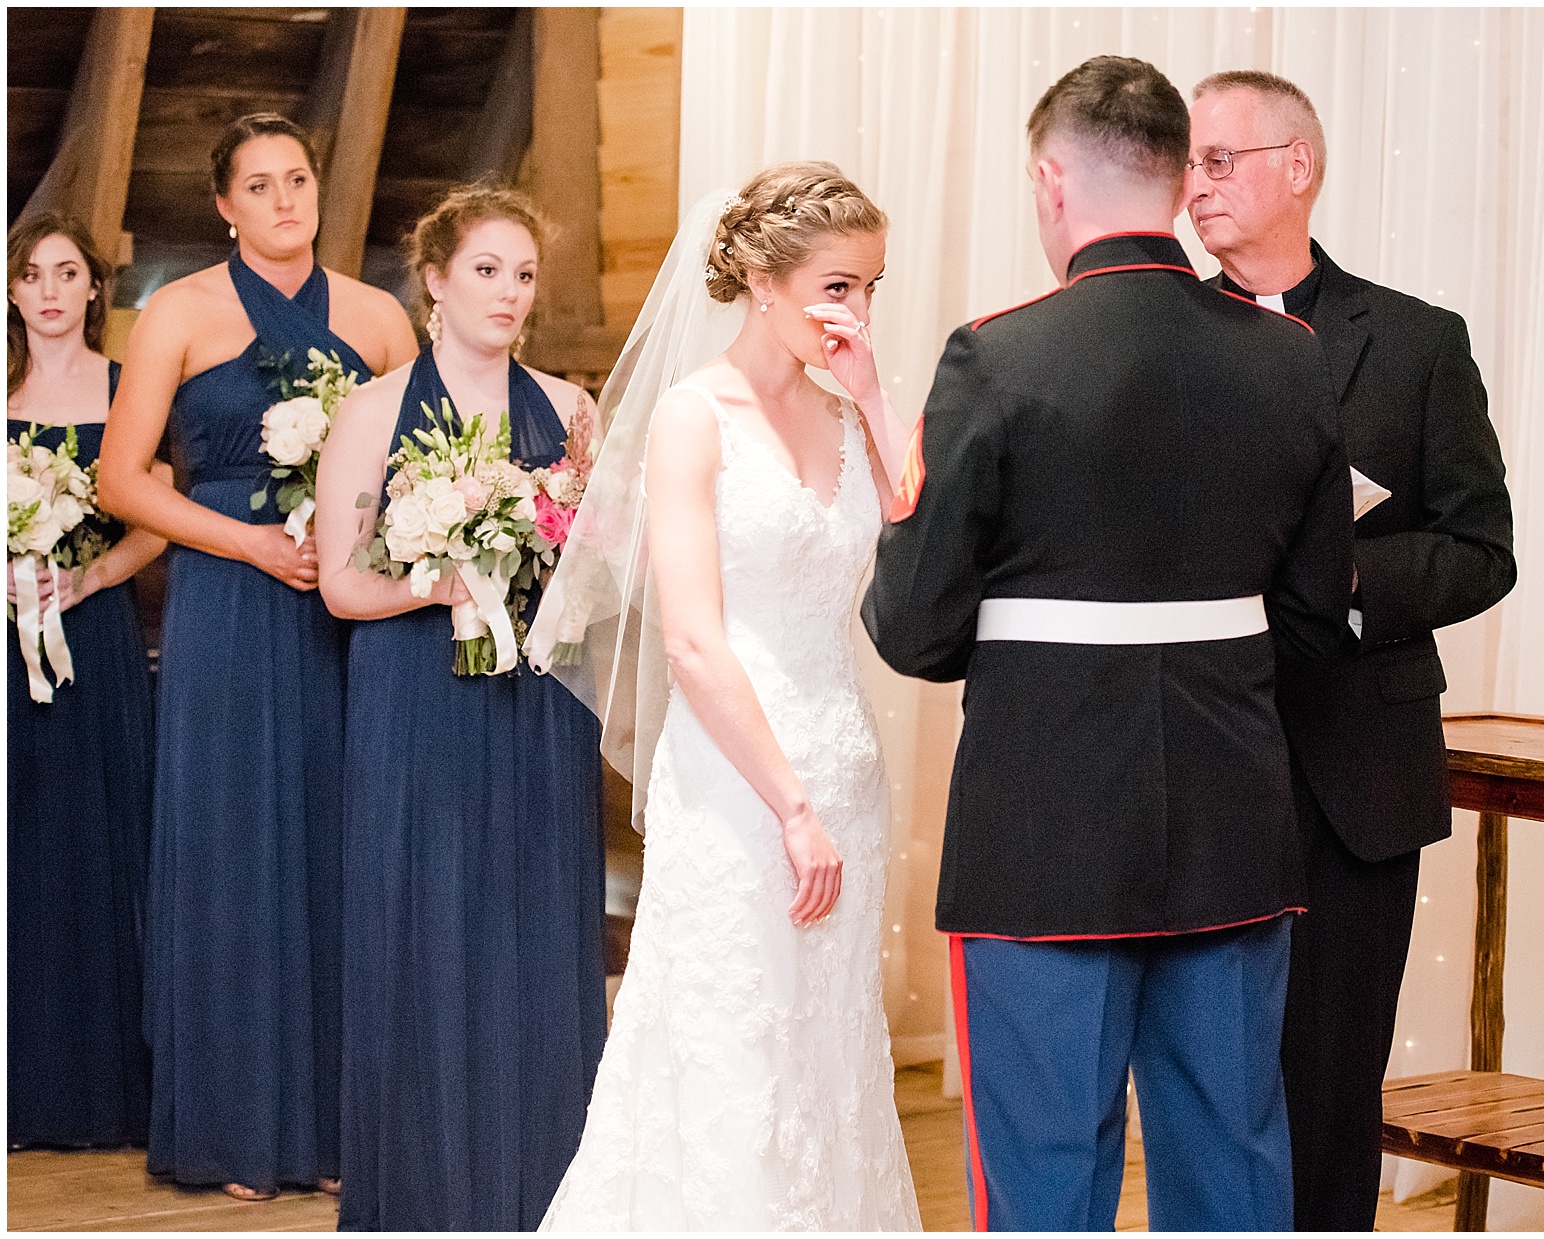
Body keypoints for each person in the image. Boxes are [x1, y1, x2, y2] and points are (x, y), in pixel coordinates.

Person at [862, 56, 1355, 1232]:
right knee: (1232, 1157)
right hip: (1235, 814)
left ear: (1049, 180)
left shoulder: (998, 352)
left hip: (1044, 827)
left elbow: (918, 633)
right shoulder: (1287, 353)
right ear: (1183, 182)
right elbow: (1314, 613)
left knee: (1043, 1167)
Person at [524, 163, 921, 1230]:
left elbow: (912, 515)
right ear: (761, 279)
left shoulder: (847, 419)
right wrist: (791, 806)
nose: (857, 312)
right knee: (731, 1039)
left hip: (845, 763)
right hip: (739, 776)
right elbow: (694, 644)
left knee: (826, 1045)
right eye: (838, 286)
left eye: (871, 287)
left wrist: (877, 393)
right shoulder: (693, 419)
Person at [1185, 70, 1517, 1231]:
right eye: (1186, 164)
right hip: (1193, 760)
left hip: (1353, 775)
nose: (1196, 187)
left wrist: (1345, 579)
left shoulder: (1420, 343)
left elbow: (1483, 549)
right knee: (1203, 1084)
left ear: (1297, 167)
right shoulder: (1158, 340)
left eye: (1219, 160)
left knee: (1329, 1091)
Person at [97, 113, 417, 1200]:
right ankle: (239, 1128)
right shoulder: (177, 312)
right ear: (225, 208)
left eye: (299, 180)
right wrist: (245, 541)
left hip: (345, 616)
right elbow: (121, 478)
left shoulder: (378, 318)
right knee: (233, 847)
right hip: (228, 608)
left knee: (341, 847)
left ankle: (338, 1129)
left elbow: (423, 465)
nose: (286, 200)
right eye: (261, 186)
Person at [314, 185, 608, 1231]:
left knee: (533, 931)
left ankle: (546, 1185)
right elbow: (344, 585)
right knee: (425, 930)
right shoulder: (373, 410)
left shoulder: (572, 412)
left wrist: (541, 561)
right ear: (434, 279)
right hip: (416, 704)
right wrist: (437, 582)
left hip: (534, 704)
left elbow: (596, 570)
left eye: (524, 274)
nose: (509, 293)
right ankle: (429, 1191)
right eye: (486, 270)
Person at [7, 214, 167, 1150]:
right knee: (21, 852)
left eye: (69, 273)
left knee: (102, 845)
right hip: (8, 648)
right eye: (35, 274)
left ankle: (106, 1088)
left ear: (93, 290)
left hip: (96, 635)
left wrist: (92, 575)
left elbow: (160, 512)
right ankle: (22, 1088)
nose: (53, 290)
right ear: (14, 293)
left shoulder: (123, 389)